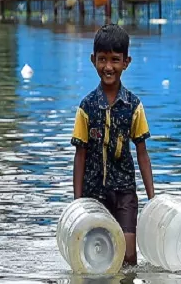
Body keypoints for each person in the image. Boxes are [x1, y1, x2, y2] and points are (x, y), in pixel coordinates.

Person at [71, 24, 156, 265]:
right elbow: (80, 155)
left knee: (129, 257)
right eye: (102, 60)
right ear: (93, 60)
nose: (109, 67)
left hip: (125, 193)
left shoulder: (133, 106)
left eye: (115, 60)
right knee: (97, 259)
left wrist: (153, 200)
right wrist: (78, 202)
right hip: (93, 194)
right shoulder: (86, 107)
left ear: (126, 62)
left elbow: (142, 154)